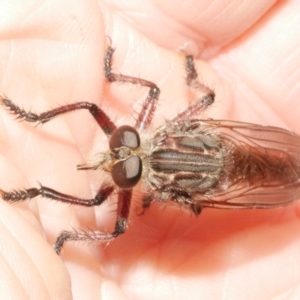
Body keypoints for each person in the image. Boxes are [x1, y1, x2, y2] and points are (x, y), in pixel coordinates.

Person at [0, 1, 299, 299]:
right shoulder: (156, 156)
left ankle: (36, 190)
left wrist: (56, 217)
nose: (112, 157)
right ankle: (35, 128)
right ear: (135, 140)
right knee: (192, 101)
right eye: (123, 151)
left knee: (123, 215)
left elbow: (181, 198)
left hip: (224, 168)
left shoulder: (148, 162)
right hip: (227, 156)